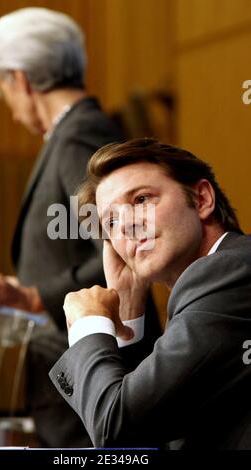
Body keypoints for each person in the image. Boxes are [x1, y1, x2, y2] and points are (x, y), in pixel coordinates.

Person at [0, 8, 133, 447]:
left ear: (20, 79)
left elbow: (122, 250)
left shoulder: (77, 136)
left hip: (87, 377)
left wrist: (33, 295)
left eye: (5, 93)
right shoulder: (70, 134)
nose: (13, 113)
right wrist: (23, 287)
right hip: (71, 377)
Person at [49, 137, 251, 450]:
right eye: (111, 221)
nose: (127, 225)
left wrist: (89, 323)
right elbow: (148, 427)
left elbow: (114, 426)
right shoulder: (215, 280)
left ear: (201, 200)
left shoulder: (231, 272)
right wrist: (127, 312)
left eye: (142, 199)